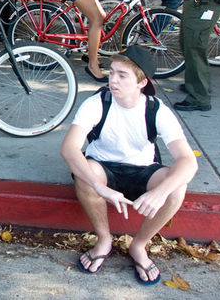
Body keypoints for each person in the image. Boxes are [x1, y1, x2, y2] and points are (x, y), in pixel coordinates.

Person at [60, 46, 197, 286]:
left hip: (143, 170)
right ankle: (104, 240)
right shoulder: (98, 102)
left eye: (122, 75)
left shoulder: (156, 110)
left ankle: (139, 245)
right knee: (85, 174)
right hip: (103, 167)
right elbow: (69, 148)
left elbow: (188, 161)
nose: (113, 80)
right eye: (111, 72)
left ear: (141, 82)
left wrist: (161, 192)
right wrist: (98, 186)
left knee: (176, 188)